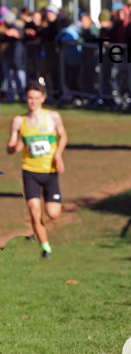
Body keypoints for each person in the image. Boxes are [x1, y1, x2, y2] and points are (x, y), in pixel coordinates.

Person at [6, 80, 67, 259]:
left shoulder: (53, 117)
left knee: (53, 214)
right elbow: (9, 147)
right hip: (30, 171)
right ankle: (46, 248)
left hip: (49, 171)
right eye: (30, 98)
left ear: (43, 99)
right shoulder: (19, 121)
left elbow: (63, 136)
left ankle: (38, 227)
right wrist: (14, 148)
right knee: (34, 211)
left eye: (36, 98)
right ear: (25, 98)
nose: (32, 101)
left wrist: (58, 154)